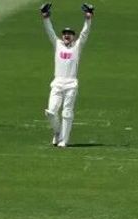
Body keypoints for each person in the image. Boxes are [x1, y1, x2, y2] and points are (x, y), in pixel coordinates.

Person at [41, 3, 94, 148]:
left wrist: (88, 18)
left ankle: (64, 140)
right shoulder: (58, 44)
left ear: (73, 37)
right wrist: (46, 17)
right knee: (51, 112)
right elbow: (50, 31)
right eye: (65, 33)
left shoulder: (77, 46)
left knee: (67, 113)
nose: (66, 35)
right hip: (57, 83)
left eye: (69, 34)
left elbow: (85, 33)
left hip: (71, 83)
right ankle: (57, 132)